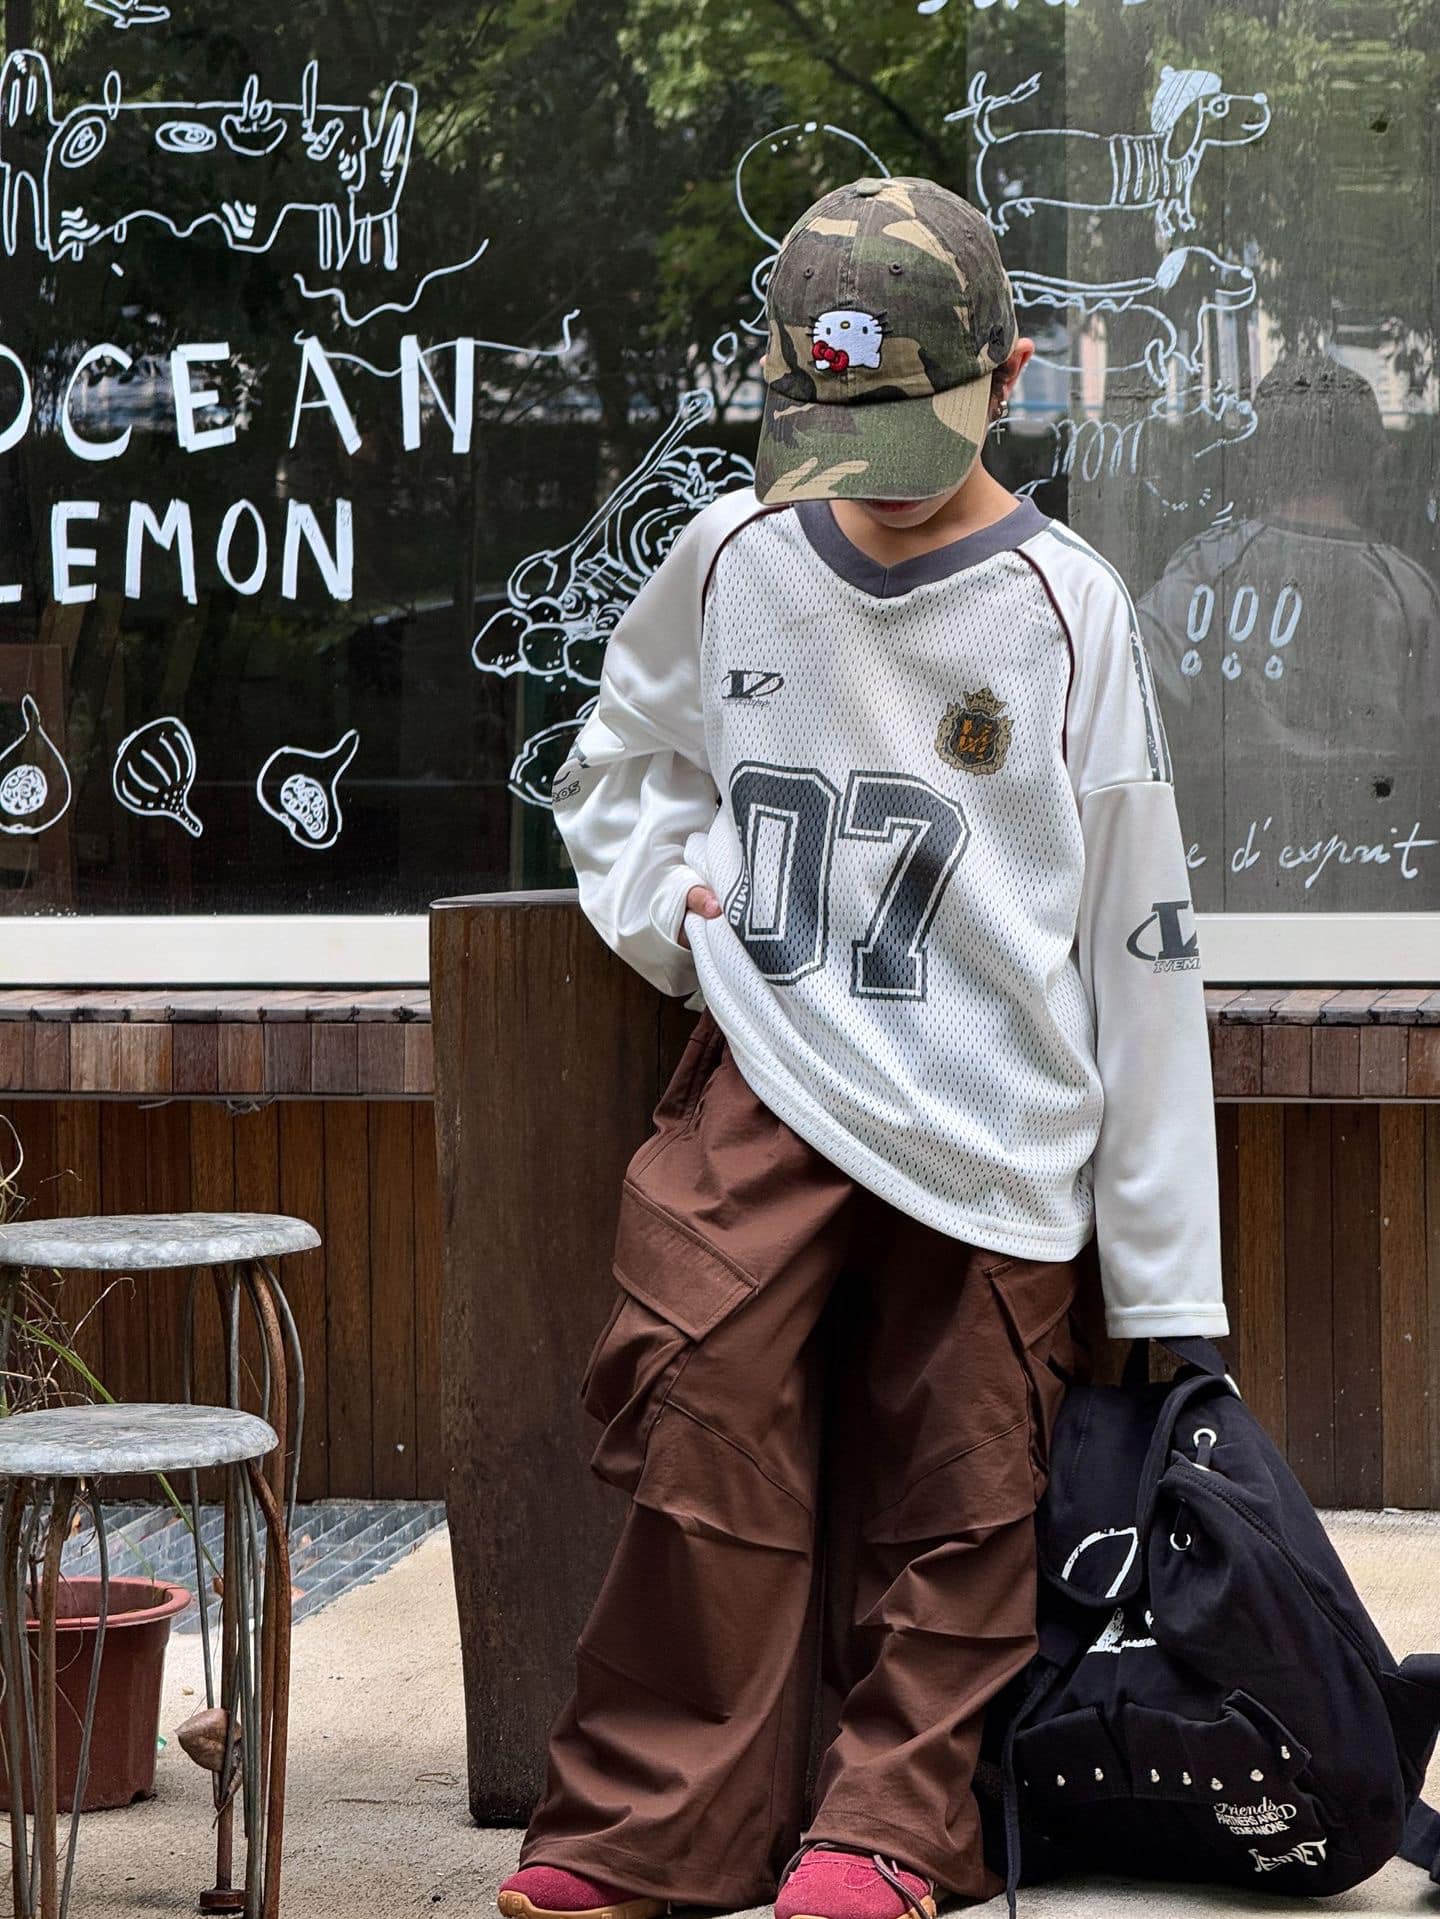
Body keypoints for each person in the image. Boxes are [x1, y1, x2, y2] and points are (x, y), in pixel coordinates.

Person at [497, 175, 1229, 1919]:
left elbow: (1137, 933)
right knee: (700, 1422)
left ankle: (893, 1825)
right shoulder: (731, 559)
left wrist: (1166, 1278)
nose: (873, 478)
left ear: (1010, 375)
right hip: (771, 1068)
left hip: (996, 1109)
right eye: (837, 433)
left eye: (907, 431)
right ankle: (653, 1824)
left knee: (966, 1477)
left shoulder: (1067, 605)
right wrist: (672, 898)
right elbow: (617, 763)